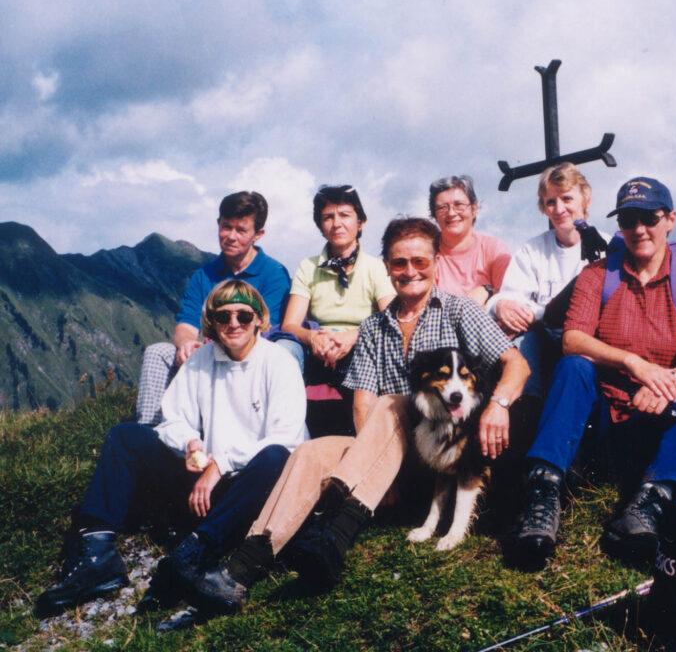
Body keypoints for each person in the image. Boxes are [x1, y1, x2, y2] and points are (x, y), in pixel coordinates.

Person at [187, 217, 530, 614]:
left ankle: (337, 532)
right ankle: (242, 568)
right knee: (312, 451)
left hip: (445, 457)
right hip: (392, 456)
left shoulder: (459, 311)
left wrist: (498, 405)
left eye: (420, 261)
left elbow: (516, 364)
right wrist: (377, 473)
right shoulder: (373, 328)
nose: (410, 272)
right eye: (399, 263)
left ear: (436, 262)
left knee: (397, 402)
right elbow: (362, 404)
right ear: (386, 266)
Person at [35, 281, 307, 617]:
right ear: (212, 322)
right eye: (223, 316)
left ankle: (195, 553)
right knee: (125, 437)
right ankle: (97, 553)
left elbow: (286, 437)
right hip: (208, 480)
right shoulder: (201, 360)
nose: (233, 323)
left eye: (243, 315)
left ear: (258, 320)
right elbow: (173, 418)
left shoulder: (278, 362)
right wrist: (190, 442)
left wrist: (219, 464)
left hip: (252, 483)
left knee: (276, 457)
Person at [512, 177, 676, 566]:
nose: (639, 229)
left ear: (671, 219)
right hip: (599, 424)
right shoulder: (597, 275)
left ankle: (651, 502)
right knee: (574, 367)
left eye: (649, 217)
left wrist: (670, 383)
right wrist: (634, 363)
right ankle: (544, 494)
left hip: (654, 418)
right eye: (629, 219)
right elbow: (573, 338)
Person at [134, 191, 291, 424]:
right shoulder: (203, 275)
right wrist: (186, 343)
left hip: (248, 356)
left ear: (258, 234)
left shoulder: (274, 274)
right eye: (226, 227)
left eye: (241, 230)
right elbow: (186, 323)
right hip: (207, 354)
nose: (231, 236)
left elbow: (266, 329)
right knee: (158, 353)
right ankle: (149, 432)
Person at [486, 162, 609, 400]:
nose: (559, 208)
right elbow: (510, 297)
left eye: (567, 199)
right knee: (526, 341)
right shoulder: (533, 249)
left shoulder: (606, 247)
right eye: (550, 202)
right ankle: (526, 408)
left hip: (589, 342)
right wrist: (500, 305)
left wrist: (536, 312)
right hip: (543, 341)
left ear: (586, 199)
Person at [275, 185, 394, 382]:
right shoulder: (308, 266)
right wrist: (313, 337)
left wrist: (353, 336)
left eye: (345, 215)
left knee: (373, 354)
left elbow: (390, 318)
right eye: (328, 217)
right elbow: (290, 325)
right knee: (283, 350)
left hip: (360, 343)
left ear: (360, 222)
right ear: (321, 226)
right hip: (316, 345)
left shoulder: (376, 267)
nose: (336, 223)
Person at [430, 175, 511, 306]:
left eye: (459, 205)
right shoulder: (427, 253)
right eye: (442, 207)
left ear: (474, 209)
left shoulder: (494, 249)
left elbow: (508, 299)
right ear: (434, 215)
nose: (451, 213)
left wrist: (486, 291)